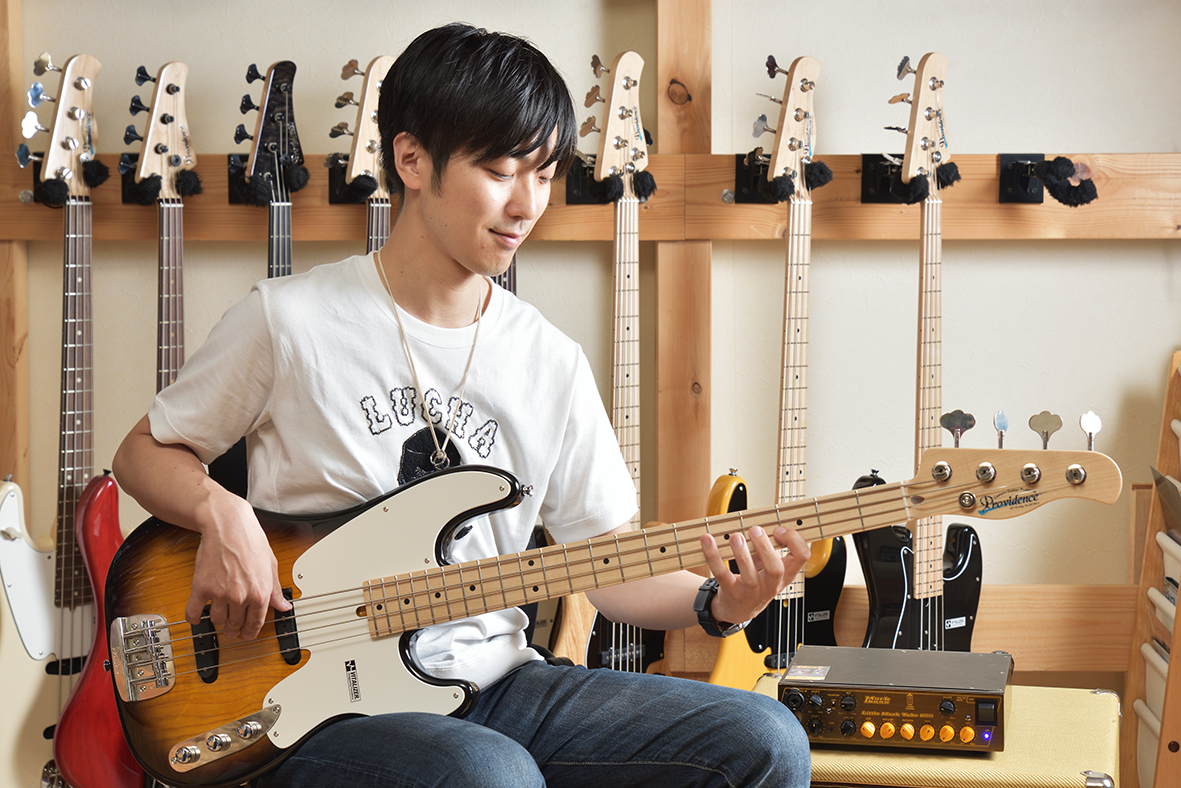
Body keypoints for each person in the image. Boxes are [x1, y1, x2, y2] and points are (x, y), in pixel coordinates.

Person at [112, 22, 812, 788]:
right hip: (318, 705)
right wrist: (222, 513)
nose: (526, 204)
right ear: (412, 159)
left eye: (544, 174)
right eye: (501, 170)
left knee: (767, 738)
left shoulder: (549, 361)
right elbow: (143, 454)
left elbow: (610, 566)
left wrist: (719, 602)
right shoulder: (290, 320)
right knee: (487, 774)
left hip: (500, 686)